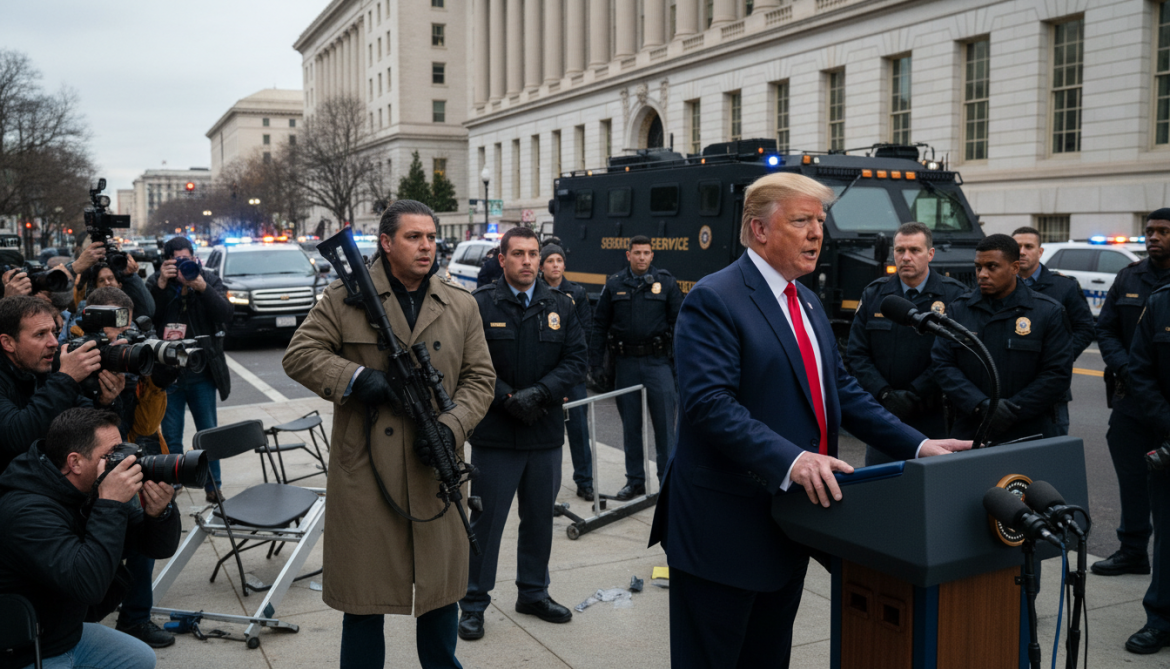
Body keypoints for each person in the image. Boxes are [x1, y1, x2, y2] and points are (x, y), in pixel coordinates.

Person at [648, 172, 969, 668]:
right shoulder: (715, 298)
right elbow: (710, 404)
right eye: (801, 221)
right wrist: (793, 460)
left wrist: (919, 445)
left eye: (820, 221)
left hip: (790, 526)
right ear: (759, 229)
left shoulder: (807, 301)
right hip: (723, 532)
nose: (818, 233)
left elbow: (841, 390)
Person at [283, 199, 495, 669]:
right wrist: (362, 380)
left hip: (434, 468)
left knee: (440, 598)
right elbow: (299, 355)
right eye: (413, 237)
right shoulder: (344, 298)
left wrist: (450, 427)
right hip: (367, 473)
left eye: (431, 237)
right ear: (385, 242)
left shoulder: (459, 303)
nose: (426, 246)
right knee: (364, 602)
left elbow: (480, 379)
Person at [458, 227, 586, 641]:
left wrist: (541, 393)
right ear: (502, 259)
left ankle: (533, 593)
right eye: (519, 254)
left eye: (533, 254)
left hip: (543, 432)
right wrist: (507, 397)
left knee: (538, 521)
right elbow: (468, 363)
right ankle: (473, 603)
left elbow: (576, 360)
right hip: (496, 434)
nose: (528, 261)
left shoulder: (561, 305)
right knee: (486, 523)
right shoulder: (480, 304)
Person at [0, 407, 181, 669]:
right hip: (25, 649)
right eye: (112, 455)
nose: (123, 461)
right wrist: (110, 504)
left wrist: (159, 513)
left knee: (140, 658)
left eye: (123, 450)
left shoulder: (87, 487)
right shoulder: (26, 512)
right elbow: (88, 584)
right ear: (75, 462)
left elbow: (157, 547)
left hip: (66, 633)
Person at [79, 286, 179, 648]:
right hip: (83, 468)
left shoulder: (133, 354)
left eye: (125, 329)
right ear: (90, 320)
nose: (119, 340)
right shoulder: (75, 353)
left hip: (129, 454)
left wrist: (156, 383)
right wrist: (101, 399)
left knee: (143, 537)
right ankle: (75, 624)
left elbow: (146, 426)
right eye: (112, 329)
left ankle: (136, 618)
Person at [846, 221, 967, 464]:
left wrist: (914, 394)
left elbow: (956, 354)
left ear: (930, 254)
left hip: (933, 414)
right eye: (900, 250)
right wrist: (884, 393)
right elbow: (857, 354)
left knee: (932, 482)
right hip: (885, 414)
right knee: (882, 480)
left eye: (914, 250)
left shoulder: (954, 295)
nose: (906, 257)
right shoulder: (875, 294)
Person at [931, 234, 1073, 442]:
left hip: (1029, 431)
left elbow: (1056, 374)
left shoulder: (1047, 312)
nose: (982, 274)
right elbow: (943, 364)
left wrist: (1011, 410)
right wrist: (980, 404)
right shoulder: (958, 310)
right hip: (972, 428)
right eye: (978, 267)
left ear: (1014, 267)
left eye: (992, 267)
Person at [1093, 210, 1170, 577]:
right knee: (1132, 479)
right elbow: (1105, 329)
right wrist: (1126, 367)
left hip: (1165, 404)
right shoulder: (1128, 277)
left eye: (1163, 231)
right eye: (1150, 231)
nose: (1153, 237)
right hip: (1130, 400)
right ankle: (1133, 550)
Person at [590, 234, 683, 499]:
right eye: (637, 253)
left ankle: (667, 483)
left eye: (646, 253)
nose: (641, 257)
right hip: (626, 363)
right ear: (628, 255)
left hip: (658, 364)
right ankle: (635, 482)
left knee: (665, 428)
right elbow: (600, 325)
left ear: (652, 255)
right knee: (631, 427)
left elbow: (680, 325)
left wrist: (680, 365)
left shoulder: (666, 283)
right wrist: (595, 364)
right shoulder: (615, 284)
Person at [146, 236, 231, 504]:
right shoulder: (157, 282)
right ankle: (175, 483)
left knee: (207, 433)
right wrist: (161, 285)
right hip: (168, 371)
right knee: (171, 436)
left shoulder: (208, 279)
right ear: (166, 262)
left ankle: (213, 486)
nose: (183, 266)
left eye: (187, 260)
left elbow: (225, 314)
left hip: (200, 371)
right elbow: (148, 317)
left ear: (195, 258)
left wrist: (202, 287)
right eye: (177, 261)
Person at [0, 296, 122, 472]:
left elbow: (84, 427)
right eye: (40, 334)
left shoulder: (43, 368)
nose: (54, 343)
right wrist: (66, 378)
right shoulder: (58, 376)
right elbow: (17, 437)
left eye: (54, 332)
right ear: (8, 343)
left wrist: (105, 402)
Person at [1012, 226, 1095, 435]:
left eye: (1028, 246)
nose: (1022, 252)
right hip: (1009, 386)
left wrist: (1060, 358)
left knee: (1051, 450)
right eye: (1017, 246)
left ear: (1040, 252)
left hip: (1051, 391)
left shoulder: (1064, 287)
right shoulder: (999, 287)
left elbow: (1085, 328)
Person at [1124, 282, 1170, 654]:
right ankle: (1161, 620)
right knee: (1168, 537)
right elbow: (1140, 371)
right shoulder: (1161, 302)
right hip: (1168, 437)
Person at [540, 241, 595, 499]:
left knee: (579, 430)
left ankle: (585, 481)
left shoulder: (577, 293)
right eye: (550, 261)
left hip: (571, 375)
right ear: (542, 266)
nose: (555, 265)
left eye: (559, 261)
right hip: (544, 374)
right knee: (546, 435)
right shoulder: (535, 291)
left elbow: (584, 332)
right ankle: (545, 490)